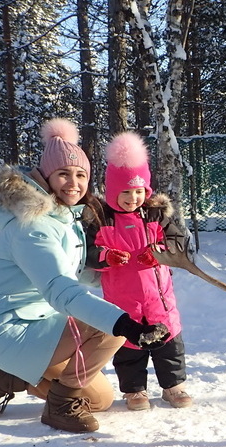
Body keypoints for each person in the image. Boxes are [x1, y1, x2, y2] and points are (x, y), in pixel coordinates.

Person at [0, 118, 168, 433]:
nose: (73, 183)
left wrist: (117, 268)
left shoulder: (63, 218)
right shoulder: (31, 226)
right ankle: (60, 405)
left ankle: (8, 375)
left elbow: (77, 275)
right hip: (10, 327)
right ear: (46, 177)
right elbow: (61, 289)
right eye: (63, 174)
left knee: (100, 400)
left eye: (81, 175)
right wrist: (123, 324)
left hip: (42, 325)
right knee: (111, 327)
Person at [83, 131, 192, 411]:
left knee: (169, 345)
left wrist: (158, 254)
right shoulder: (101, 219)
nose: (134, 198)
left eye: (139, 190)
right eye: (126, 191)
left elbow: (178, 240)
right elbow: (87, 252)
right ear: (112, 191)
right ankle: (135, 390)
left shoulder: (156, 214)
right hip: (123, 301)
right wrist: (106, 257)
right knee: (128, 349)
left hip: (160, 299)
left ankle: (173, 385)